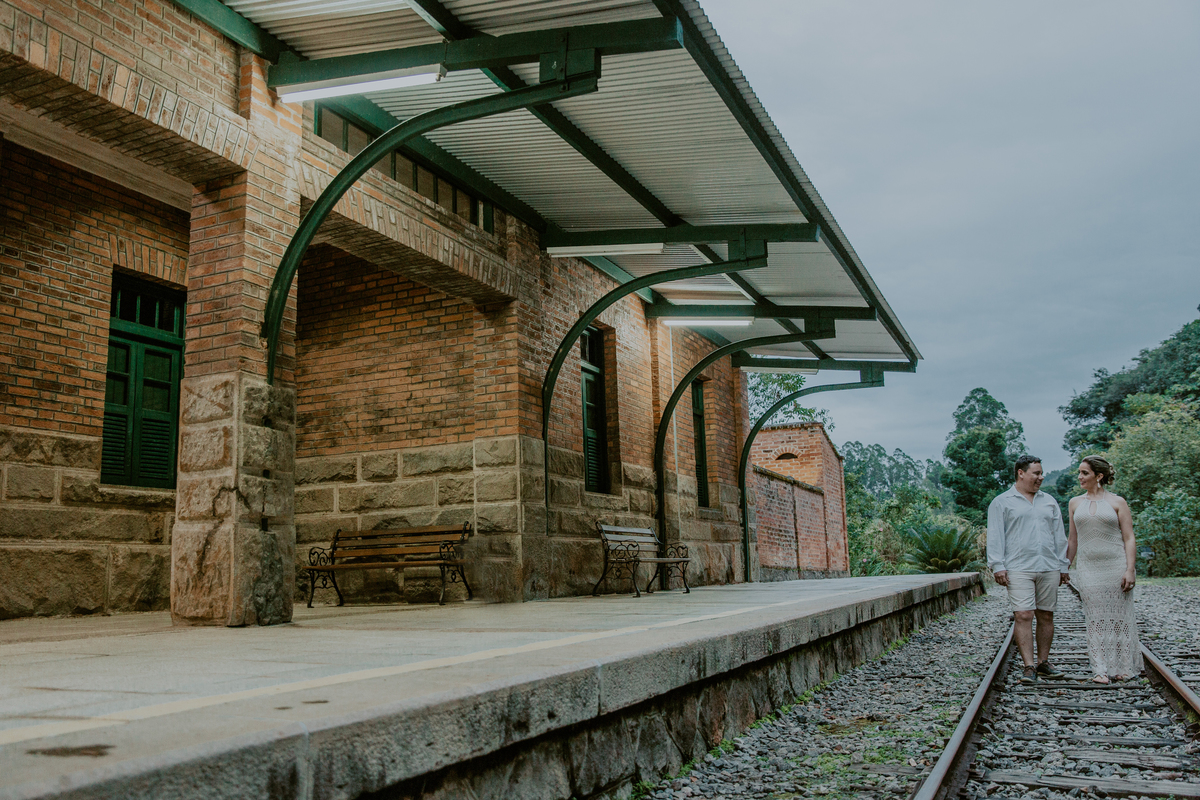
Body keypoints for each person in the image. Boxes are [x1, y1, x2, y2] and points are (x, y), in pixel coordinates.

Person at [987, 455, 1070, 684]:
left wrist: (1063, 564)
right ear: (1021, 473)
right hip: (1018, 567)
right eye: (1036, 473)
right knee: (1023, 614)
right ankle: (1028, 666)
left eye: (1041, 473)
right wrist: (998, 565)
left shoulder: (1049, 502)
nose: (1041, 477)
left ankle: (1043, 662)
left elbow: (1059, 536)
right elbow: (995, 535)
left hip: (1048, 566)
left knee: (1046, 614)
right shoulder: (1002, 502)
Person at [1067, 456, 1142, 683]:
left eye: (1085, 473)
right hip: (1088, 568)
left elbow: (1129, 538)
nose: (1080, 477)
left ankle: (1123, 667)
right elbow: (1072, 540)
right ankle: (1099, 669)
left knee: (1119, 618)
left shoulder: (1118, 502)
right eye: (1079, 473)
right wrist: (1064, 567)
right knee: (1094, 618)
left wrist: (1130, 569)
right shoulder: (1074, 503)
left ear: (1099, 476)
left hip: (1115, 565)